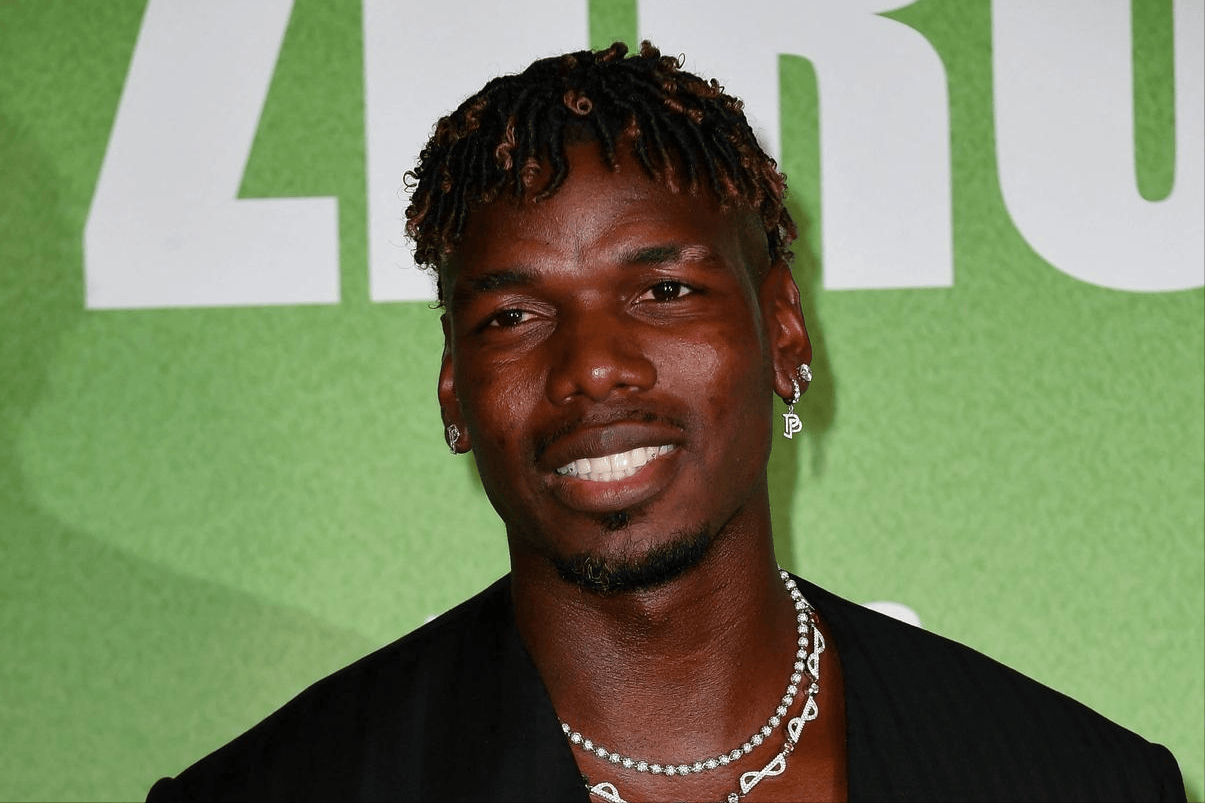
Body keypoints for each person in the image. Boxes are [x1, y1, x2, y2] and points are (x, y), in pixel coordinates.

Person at [147, 42, 1185, 802]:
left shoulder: (1075, 779)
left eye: (664, 291)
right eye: (512, 316)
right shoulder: (280, 787)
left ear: (783, 332)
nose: (592, 365)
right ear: (454, 392)